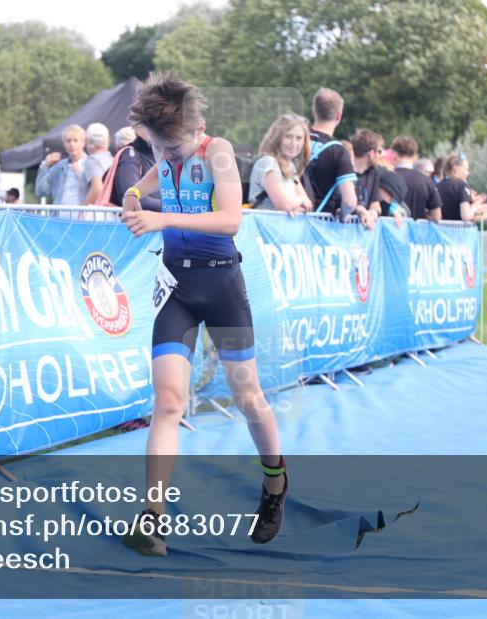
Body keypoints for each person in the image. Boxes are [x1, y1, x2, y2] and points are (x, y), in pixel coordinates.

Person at [118, 72, 287, 556]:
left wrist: (162, 216)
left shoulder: (218, 151)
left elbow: (231, 219)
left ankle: (275, 484)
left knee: (247, 395)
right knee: (168, 401)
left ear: (199, 129)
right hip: (178, 288)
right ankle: (153, 519)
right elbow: (152, 177)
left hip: (221, 285)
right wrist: (133, 195)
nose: (166, 158)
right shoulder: (165, 151)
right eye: (158, 149)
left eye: (174, 150)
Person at [304, 88, 374, 228]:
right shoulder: (338, 151)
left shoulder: (296, 140)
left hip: (289, 222)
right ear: (339, 116)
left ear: (314, 110)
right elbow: (349, 201)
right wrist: (343, 213)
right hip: (320, 226)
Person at [246, 114, 313, 214]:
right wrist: (300, 201)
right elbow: (285, 205)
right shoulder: (268, 163)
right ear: (277, 138)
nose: (293, 143)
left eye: (299, 138)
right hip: (264, 227)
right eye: (288, 136)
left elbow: (308, 205)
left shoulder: (290, 167)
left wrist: (297, 205)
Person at [437, 152, 487, 225]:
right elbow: (466, 216)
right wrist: (477, 203)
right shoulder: (462, 186)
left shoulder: (437, 187)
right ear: (456, 169)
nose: (468, 173)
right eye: (466, 169)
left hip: (440, 233)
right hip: (460, 234)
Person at [392, 135, 442, 221]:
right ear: (415, 156)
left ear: (395, 154)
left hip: (391, 231)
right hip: (417, 232)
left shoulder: (386, 178)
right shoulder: (426, 181)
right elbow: (437, 216)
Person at [35, 125, 88, 205]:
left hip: (82, 216)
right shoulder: (60, 166)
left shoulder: (91, 164)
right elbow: (40, 191)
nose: (72, 144)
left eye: (75, 140)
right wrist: (45, 165)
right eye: (68, 141)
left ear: (83, 142)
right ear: (64, 144)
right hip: (58, 216)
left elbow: (97, 191)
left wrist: (80, 173)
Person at [110, 125, 159, 210]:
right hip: (143, 220)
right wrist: (172, 207)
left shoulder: (160, 154)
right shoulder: (130, 155)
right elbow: (133, 196)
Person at [83, 123, 114, 205]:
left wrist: (82, 212)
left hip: (98, 211)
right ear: (108, 140)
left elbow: (97, 188)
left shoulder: (92, 160)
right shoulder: (112, 159)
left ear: (86, 141)